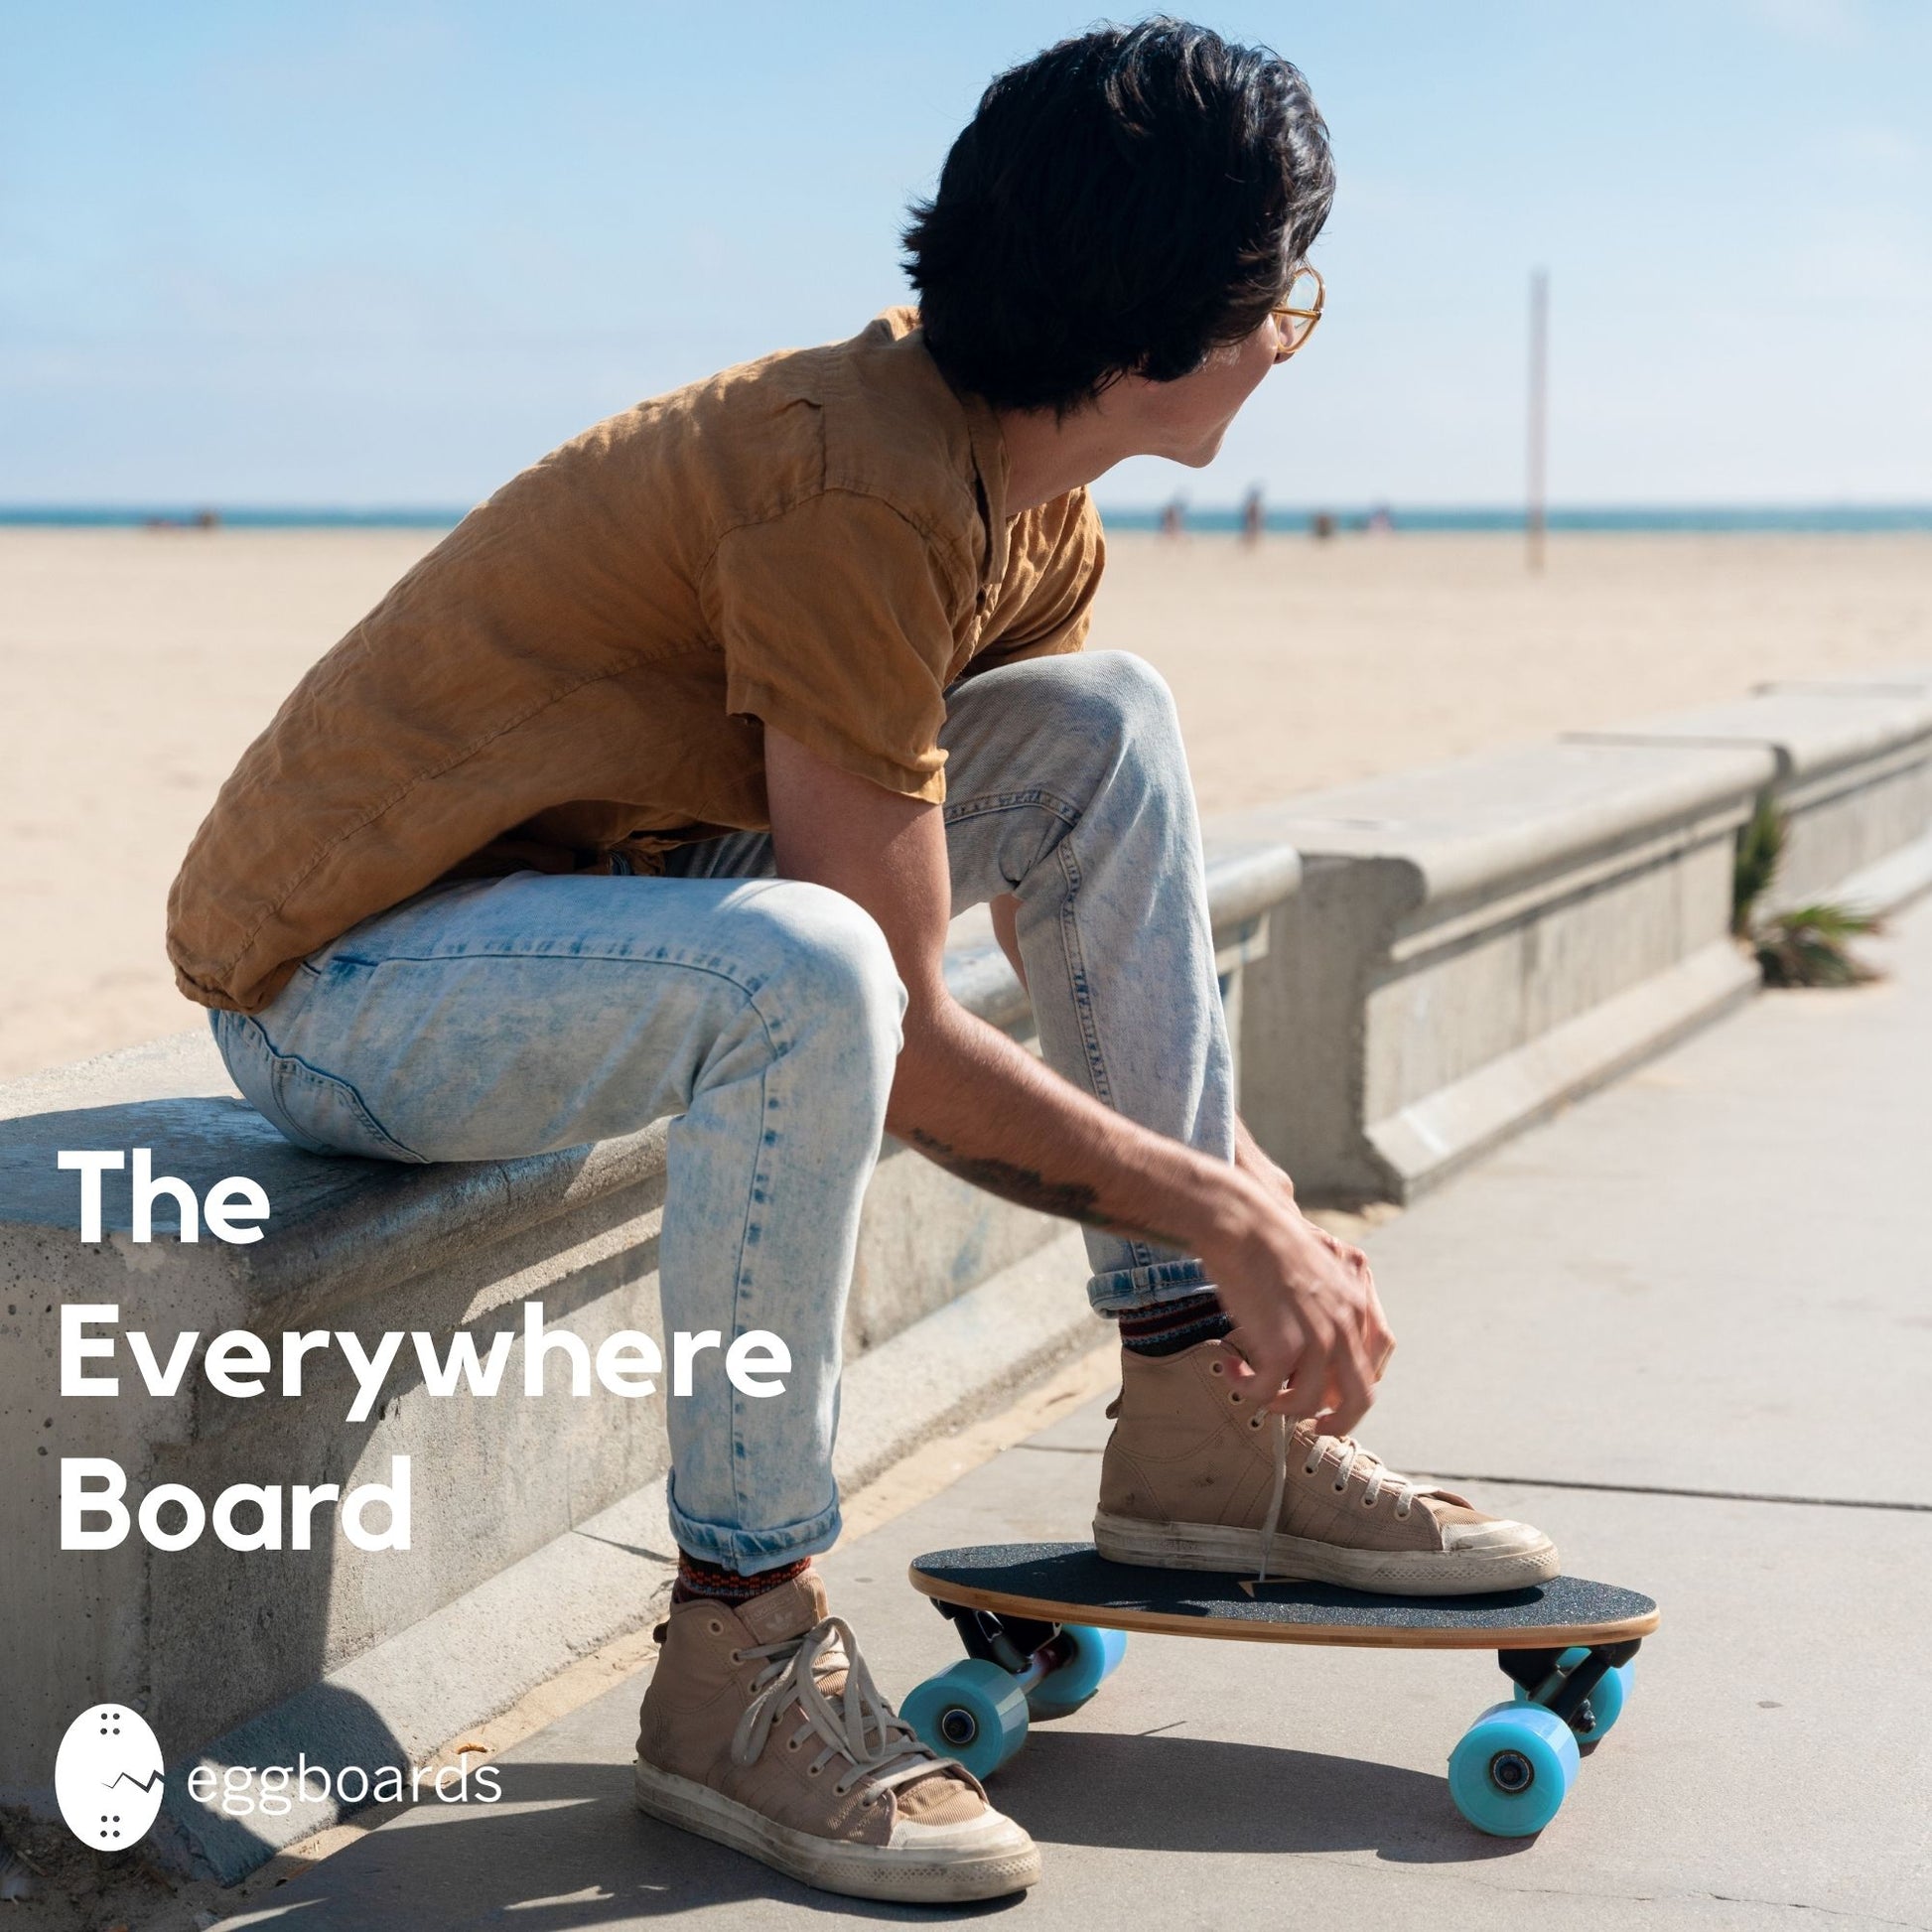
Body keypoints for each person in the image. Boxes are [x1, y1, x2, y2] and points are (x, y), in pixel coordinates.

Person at [166, 19, 1555, 1907]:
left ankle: (1189, 1427)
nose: (1288, 338)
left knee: (1100, 727)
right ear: (1154, 337)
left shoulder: (1024, 499)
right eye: (1281, 302)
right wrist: (1235, 1208)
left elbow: (969, 895)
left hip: (603, 897)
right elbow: (884, 1023)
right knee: (806, 971)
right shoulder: (861, 491)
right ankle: (738, 1641)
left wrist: (1218, 1228)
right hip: (345, 986)